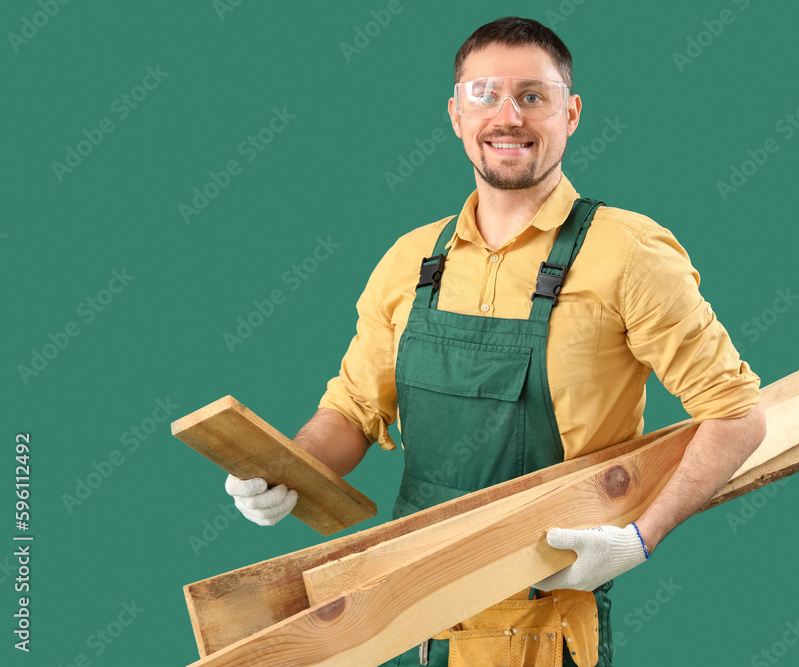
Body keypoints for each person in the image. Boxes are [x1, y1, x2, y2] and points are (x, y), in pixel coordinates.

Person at [224, 16, 766, 667]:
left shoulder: (628, 252)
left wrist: (639, 537)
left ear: (571, 112)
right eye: (485, 94)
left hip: (544, 628)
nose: (508, 116)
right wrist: (289, 469)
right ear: (455, 114)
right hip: (408, 623)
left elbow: (736, 412)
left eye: (533, 96)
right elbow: (354, 411)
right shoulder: (408, 260)